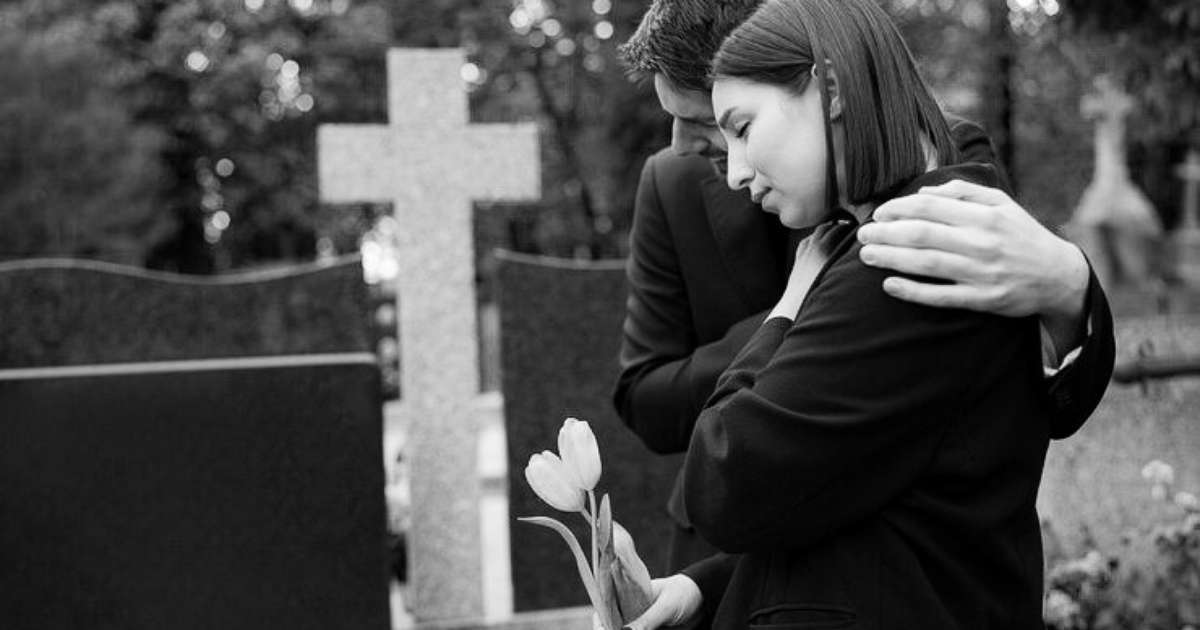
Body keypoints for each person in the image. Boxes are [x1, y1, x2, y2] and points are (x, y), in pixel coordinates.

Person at [612, 1, 1115, 625]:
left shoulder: (927, 203)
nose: (683, 144)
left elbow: (991, 396)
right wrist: (793, 314)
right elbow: (644, 392)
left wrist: (1072, 287)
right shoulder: (672, 184)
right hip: (754, 558)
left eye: (720, 119)